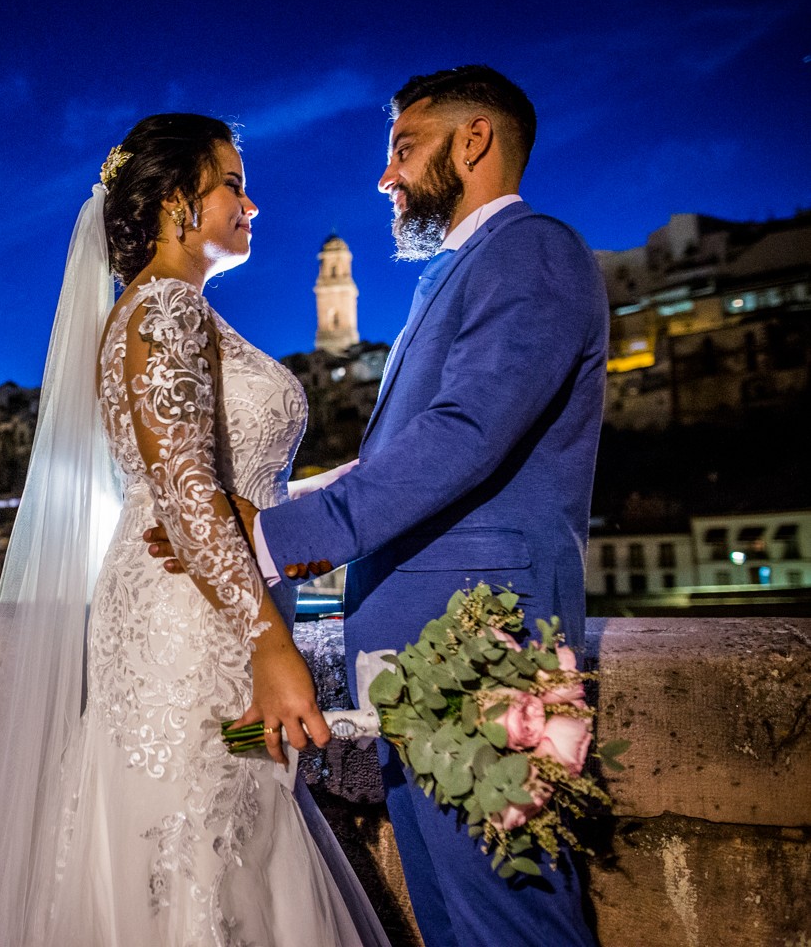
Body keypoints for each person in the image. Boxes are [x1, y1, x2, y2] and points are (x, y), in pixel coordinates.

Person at [155, 67, 608, 947]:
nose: (386, 176)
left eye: (404, 148)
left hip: (479, 655)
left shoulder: (532, 250)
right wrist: (272, 505)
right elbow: (398, 460)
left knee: (510, 924)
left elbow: (463, 436)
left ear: (473, 141)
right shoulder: (461, 271)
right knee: (456, 923)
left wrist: (273, 535)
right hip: (418, 658)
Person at [0, 114, 390, 946]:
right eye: (233, 185)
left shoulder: (167, 307)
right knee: (196, 848)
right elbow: (184, 489)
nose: (251, 204)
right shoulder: (166, 306)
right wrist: (271, 644)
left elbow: (230, 484)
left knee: (210, 846)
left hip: (191, 600)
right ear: (177, 202)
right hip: (191, 617)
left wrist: (356, 487)